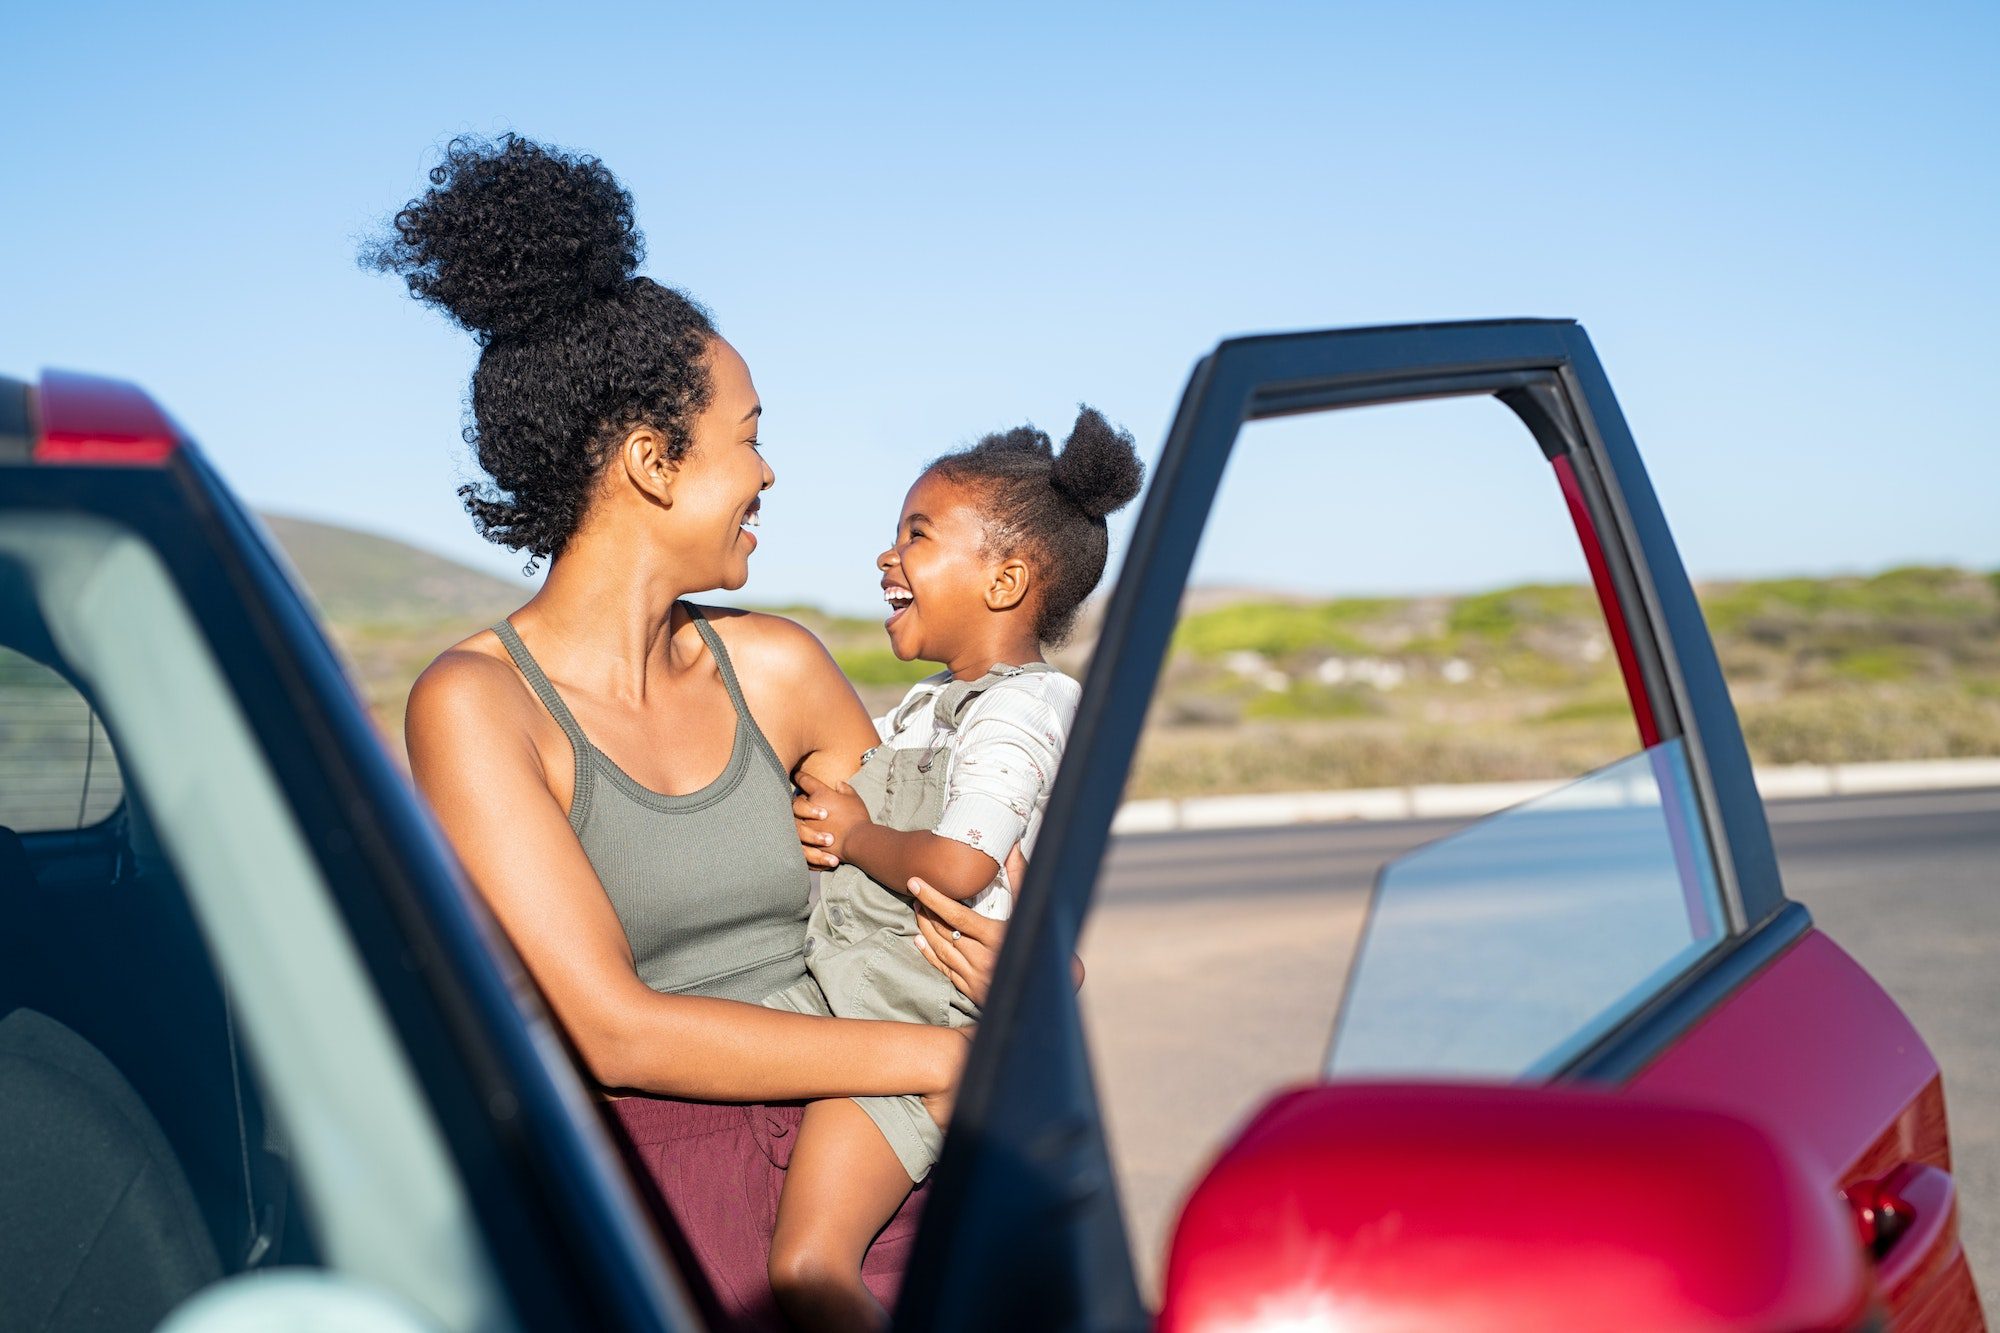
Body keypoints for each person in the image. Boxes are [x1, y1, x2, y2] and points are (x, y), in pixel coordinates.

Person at [369, 133, 1010, 1331]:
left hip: (877, 1156)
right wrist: (935, 1061)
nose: (768, 469)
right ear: (653, 463)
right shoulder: (477, 707)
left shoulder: (776, 667)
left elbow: (931, 877)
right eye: (748, 433)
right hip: (676, 1207)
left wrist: (1016, 962)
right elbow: (615, 1030)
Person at [762, 410, 1142, 1332]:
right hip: (873, 992)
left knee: (810, 1267)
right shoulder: (937, 704)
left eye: (916, 536)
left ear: (1007, 578)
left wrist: (854, 837)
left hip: (919, 1013)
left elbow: (964, 864)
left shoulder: (1021, 711)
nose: (886, 557)